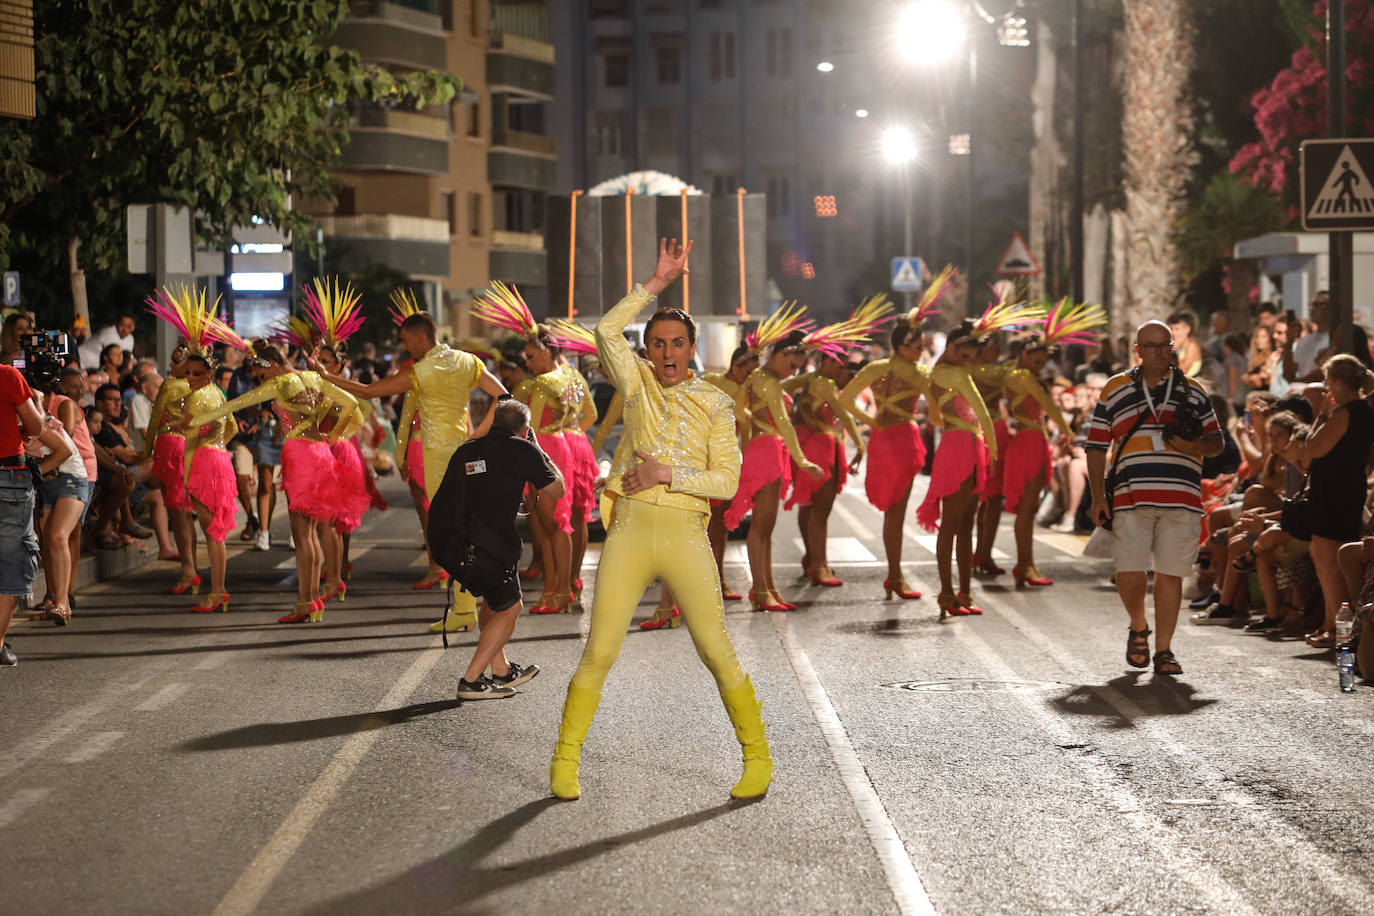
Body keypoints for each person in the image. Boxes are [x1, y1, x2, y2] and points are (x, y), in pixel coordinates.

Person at [549, 237, 773, 802]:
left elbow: (726, 481)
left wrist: (668, 474)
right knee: (599, 650)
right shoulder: (638, 384)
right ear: (646, 351)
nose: (668, 354)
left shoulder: (716, 404)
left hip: (684, 535)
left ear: (694, 347)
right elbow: (604, 333)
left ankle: (757, 758)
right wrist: (654, 286)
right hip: (629, 534)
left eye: (677, 344)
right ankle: (565, 759)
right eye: (657, 345)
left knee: (716, 651)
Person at [315, 309, 507, 633]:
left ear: (422, 337)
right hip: (463, 452)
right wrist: (479, 434)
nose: (406, 348)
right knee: (461, 530)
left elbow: (368, 391)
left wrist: (324, 375)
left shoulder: (422, 370)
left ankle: (468, 605)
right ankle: (466, 606)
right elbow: (503, 395)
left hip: (436, 457)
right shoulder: (467, 362)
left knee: (449, 532)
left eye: (407, 341)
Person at [1086, 320, 1225, 675]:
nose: (1160, 352)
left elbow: (1216, 442)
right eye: (1151, 346)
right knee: (1128, 571)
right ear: (1138, 351)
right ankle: (1137, 625)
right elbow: (1097, 444)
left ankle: (1164, 650)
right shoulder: (1115, 388)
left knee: (1170, 573)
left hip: (1181, 495)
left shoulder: (1193, 390)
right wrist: (1098, 497)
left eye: (1166, 345)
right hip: (1131, 494)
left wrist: (1192, 445)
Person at [434, 399, 564, 699]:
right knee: (511, 607)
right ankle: (471, 680)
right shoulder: (523, 449)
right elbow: (558, 489)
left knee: (494, 603)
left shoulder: (467, 449)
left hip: (453, 543)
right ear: (525, 430)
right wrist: (541, 452)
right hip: (491, 544)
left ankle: (501, 669)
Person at [838, 272, 954, 601]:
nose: (920, 350)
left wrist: (871, 421)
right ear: (901, 345)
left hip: (882, 440)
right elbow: (935, 411)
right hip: (902, 439)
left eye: (920, 346)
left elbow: (844, 400)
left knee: (893, 511)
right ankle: (894, 575)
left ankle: (895, 574)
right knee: (896, 511)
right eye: (916, 346)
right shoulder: (918, 373)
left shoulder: (875, 368)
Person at [783, 299, 893, 587]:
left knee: (808, 508)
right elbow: (844, 414)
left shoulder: (808, 379)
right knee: (821, 511)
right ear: (829, 361)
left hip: (804, 445)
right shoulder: (828, 385)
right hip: (823, 448)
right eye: (840, 363)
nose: (842, 369)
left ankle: (811, 559)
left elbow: (780, 388)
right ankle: (820, 566)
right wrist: (863, 443)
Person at [725, 304, 824, 611]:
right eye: (792, 364)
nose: (793, 371)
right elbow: (783, 423)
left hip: (766, 449)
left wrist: (751, 430)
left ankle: (768, 587)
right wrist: (803, 459)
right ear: (780, 354)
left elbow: (738, 409)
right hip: (767, 452)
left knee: (766, 527)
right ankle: (759, 590)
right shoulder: (766, 381)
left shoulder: (761, 379)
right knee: (761, 527)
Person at [1293, 354, 1374, 647]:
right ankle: (1330, 624)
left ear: (1339, 383)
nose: (1327, 388)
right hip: (1342, 489)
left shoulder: (1343, 413)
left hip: (1335, 493)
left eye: (1328, 382)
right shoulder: (1363, 411)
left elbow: (1313, 447)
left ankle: (1337, 629)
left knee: (1328, 561)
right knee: (1320, 554)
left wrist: (1323, 414)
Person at [0, 361, 49, 666]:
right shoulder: (8, 375)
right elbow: (37, 427)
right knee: (10, 563)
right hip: (8, 477)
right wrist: (40, 400)